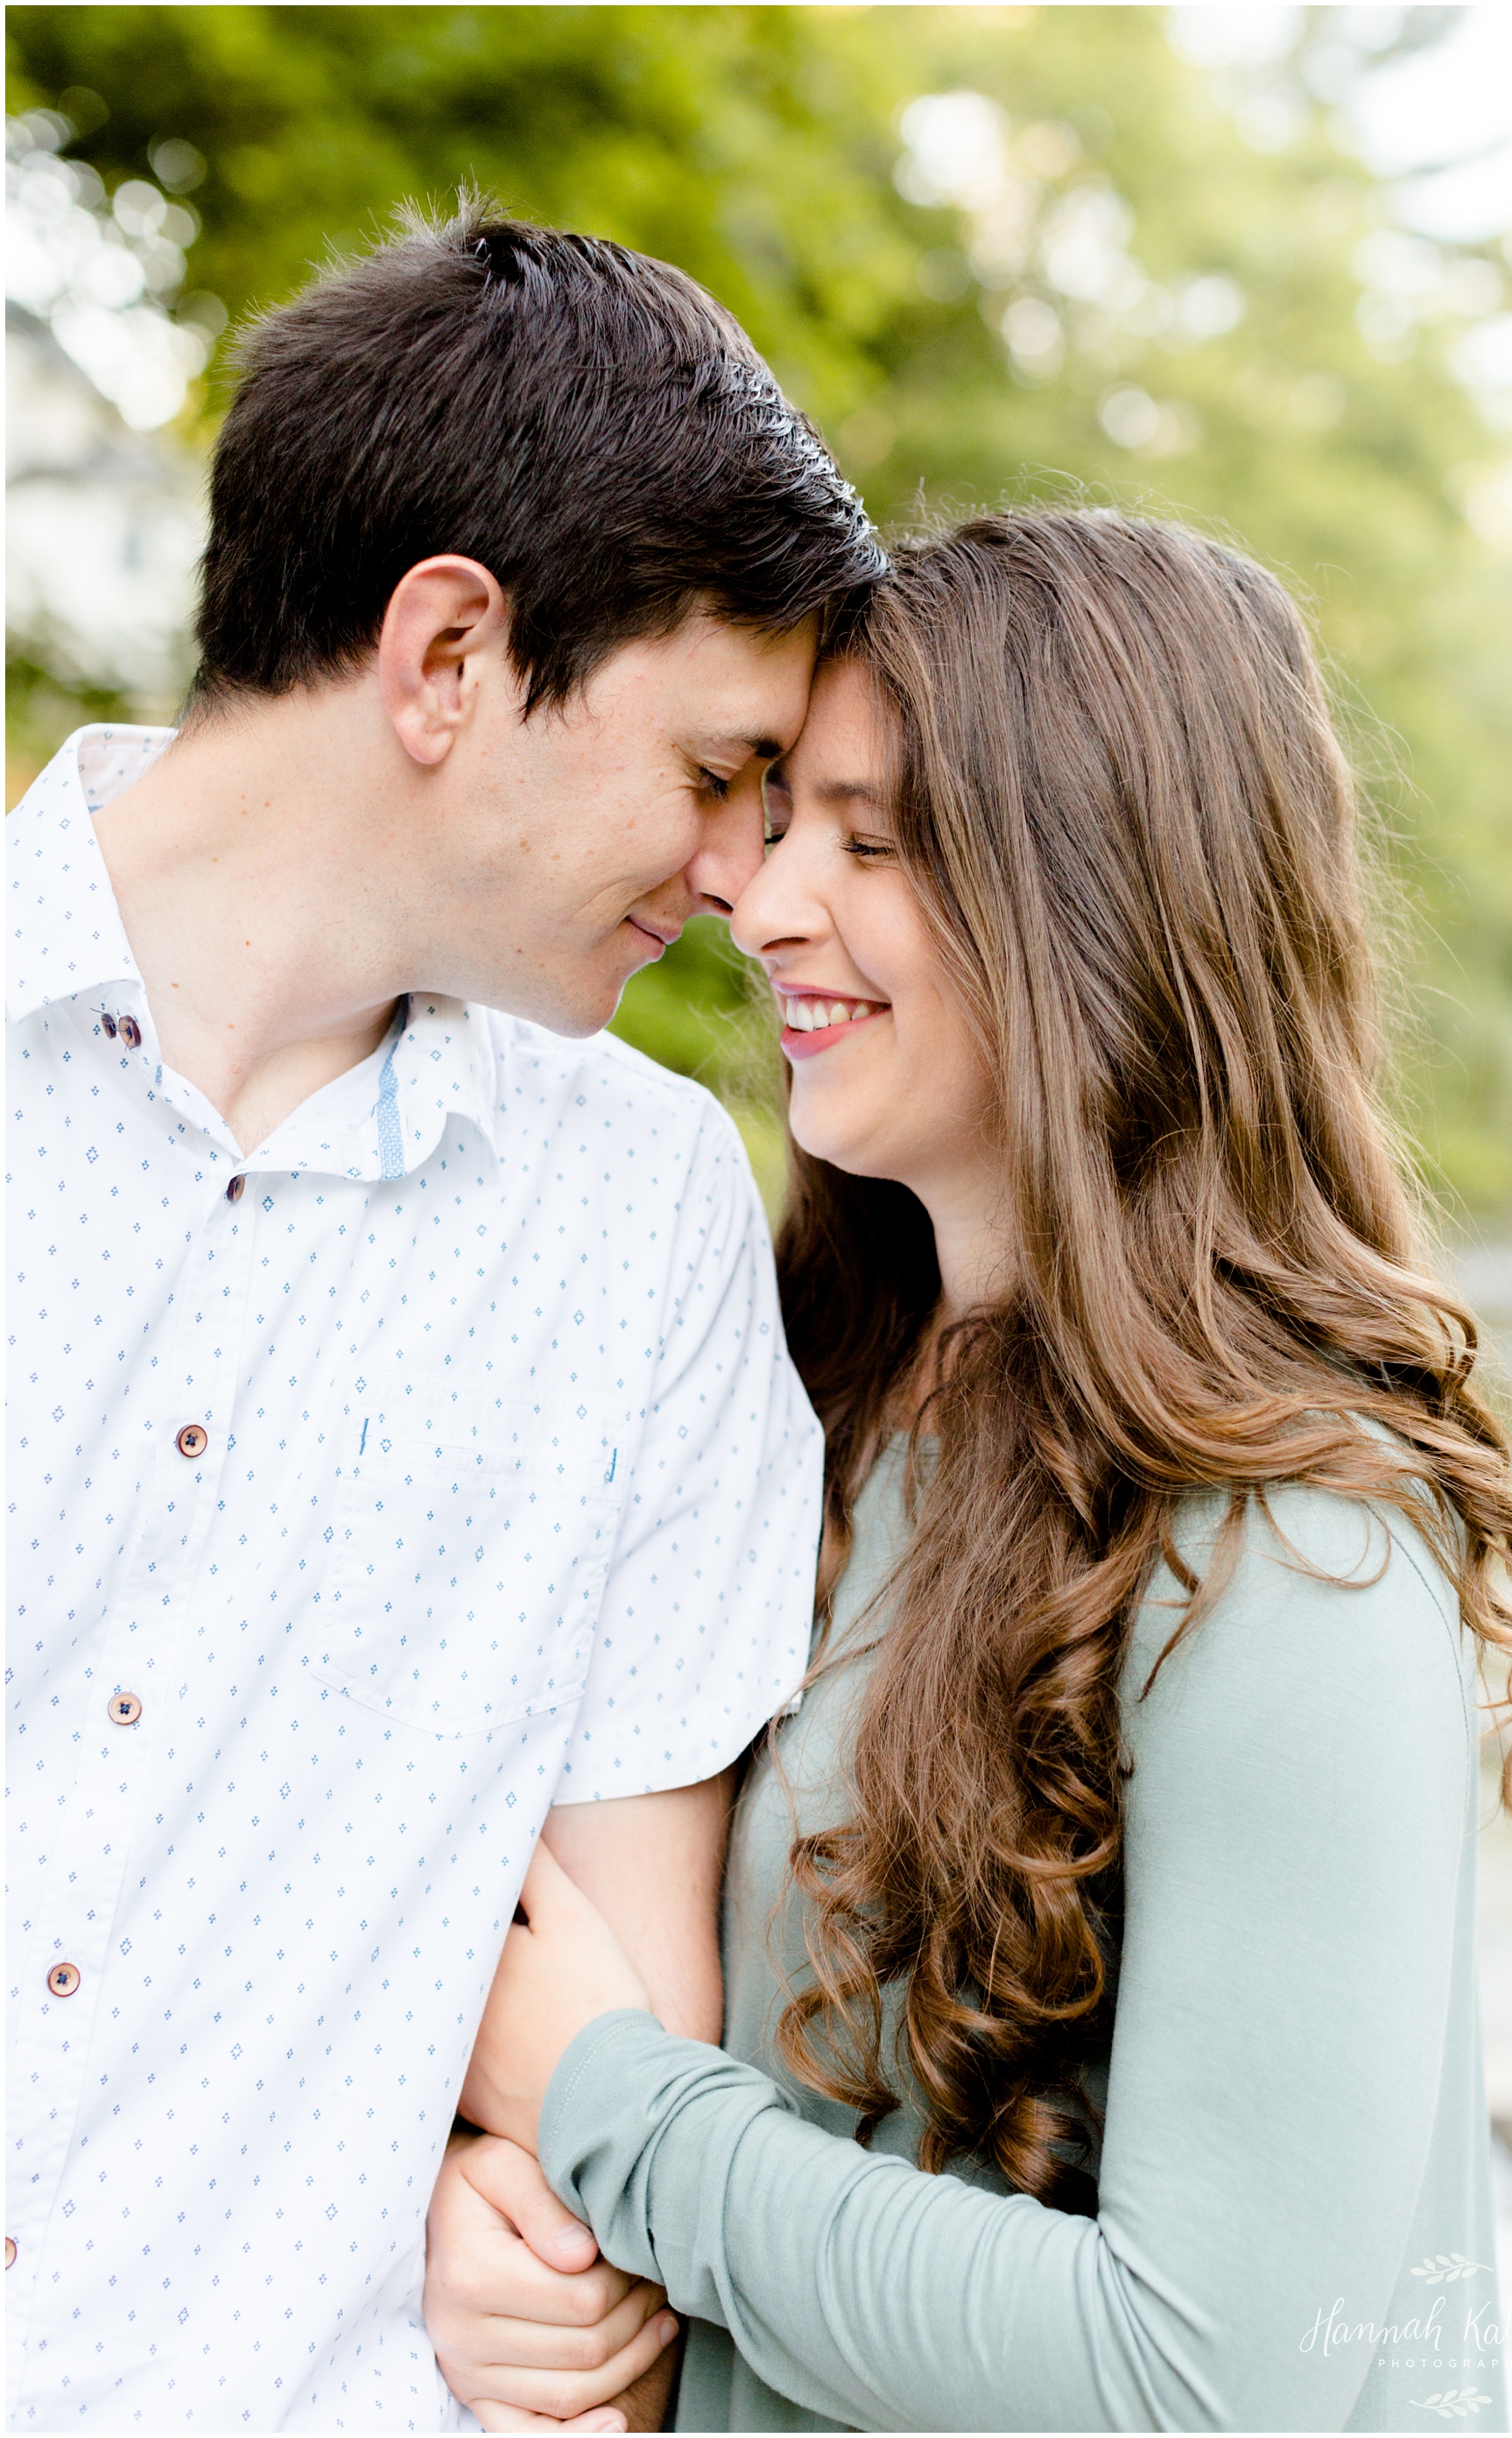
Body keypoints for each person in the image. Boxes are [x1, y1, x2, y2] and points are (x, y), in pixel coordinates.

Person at [431, 510, 1512, 2433]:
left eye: (872, 844)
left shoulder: (1290, 1539)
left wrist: (610, 2114)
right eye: (783, 820)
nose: (770, 899)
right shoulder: (800, 1394)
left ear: (1104, 903)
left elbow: (1206, 2381)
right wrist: (521, 2240)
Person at [4, 200, 883, 2431]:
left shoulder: (650, 1225)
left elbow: (625, 2000)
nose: (736, 881)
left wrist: (558, 2249)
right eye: (710, 773)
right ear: (448, 657)